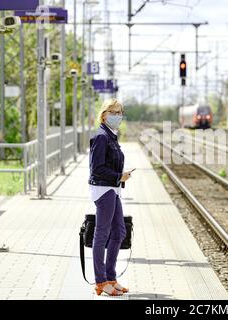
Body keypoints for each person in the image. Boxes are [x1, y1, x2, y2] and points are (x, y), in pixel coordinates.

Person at [88, 98, 133, 296]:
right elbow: (96, 169)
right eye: (113, 112)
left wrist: (121, 176)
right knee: (102, 234)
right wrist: (118, 177)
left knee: (119, 232)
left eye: (119, 112)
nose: (117, 116)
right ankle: (100, 282)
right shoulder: (101, 136)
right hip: (103, 190)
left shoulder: (111, 136)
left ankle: (111, 277)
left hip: (112, 189)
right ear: (104, 114)